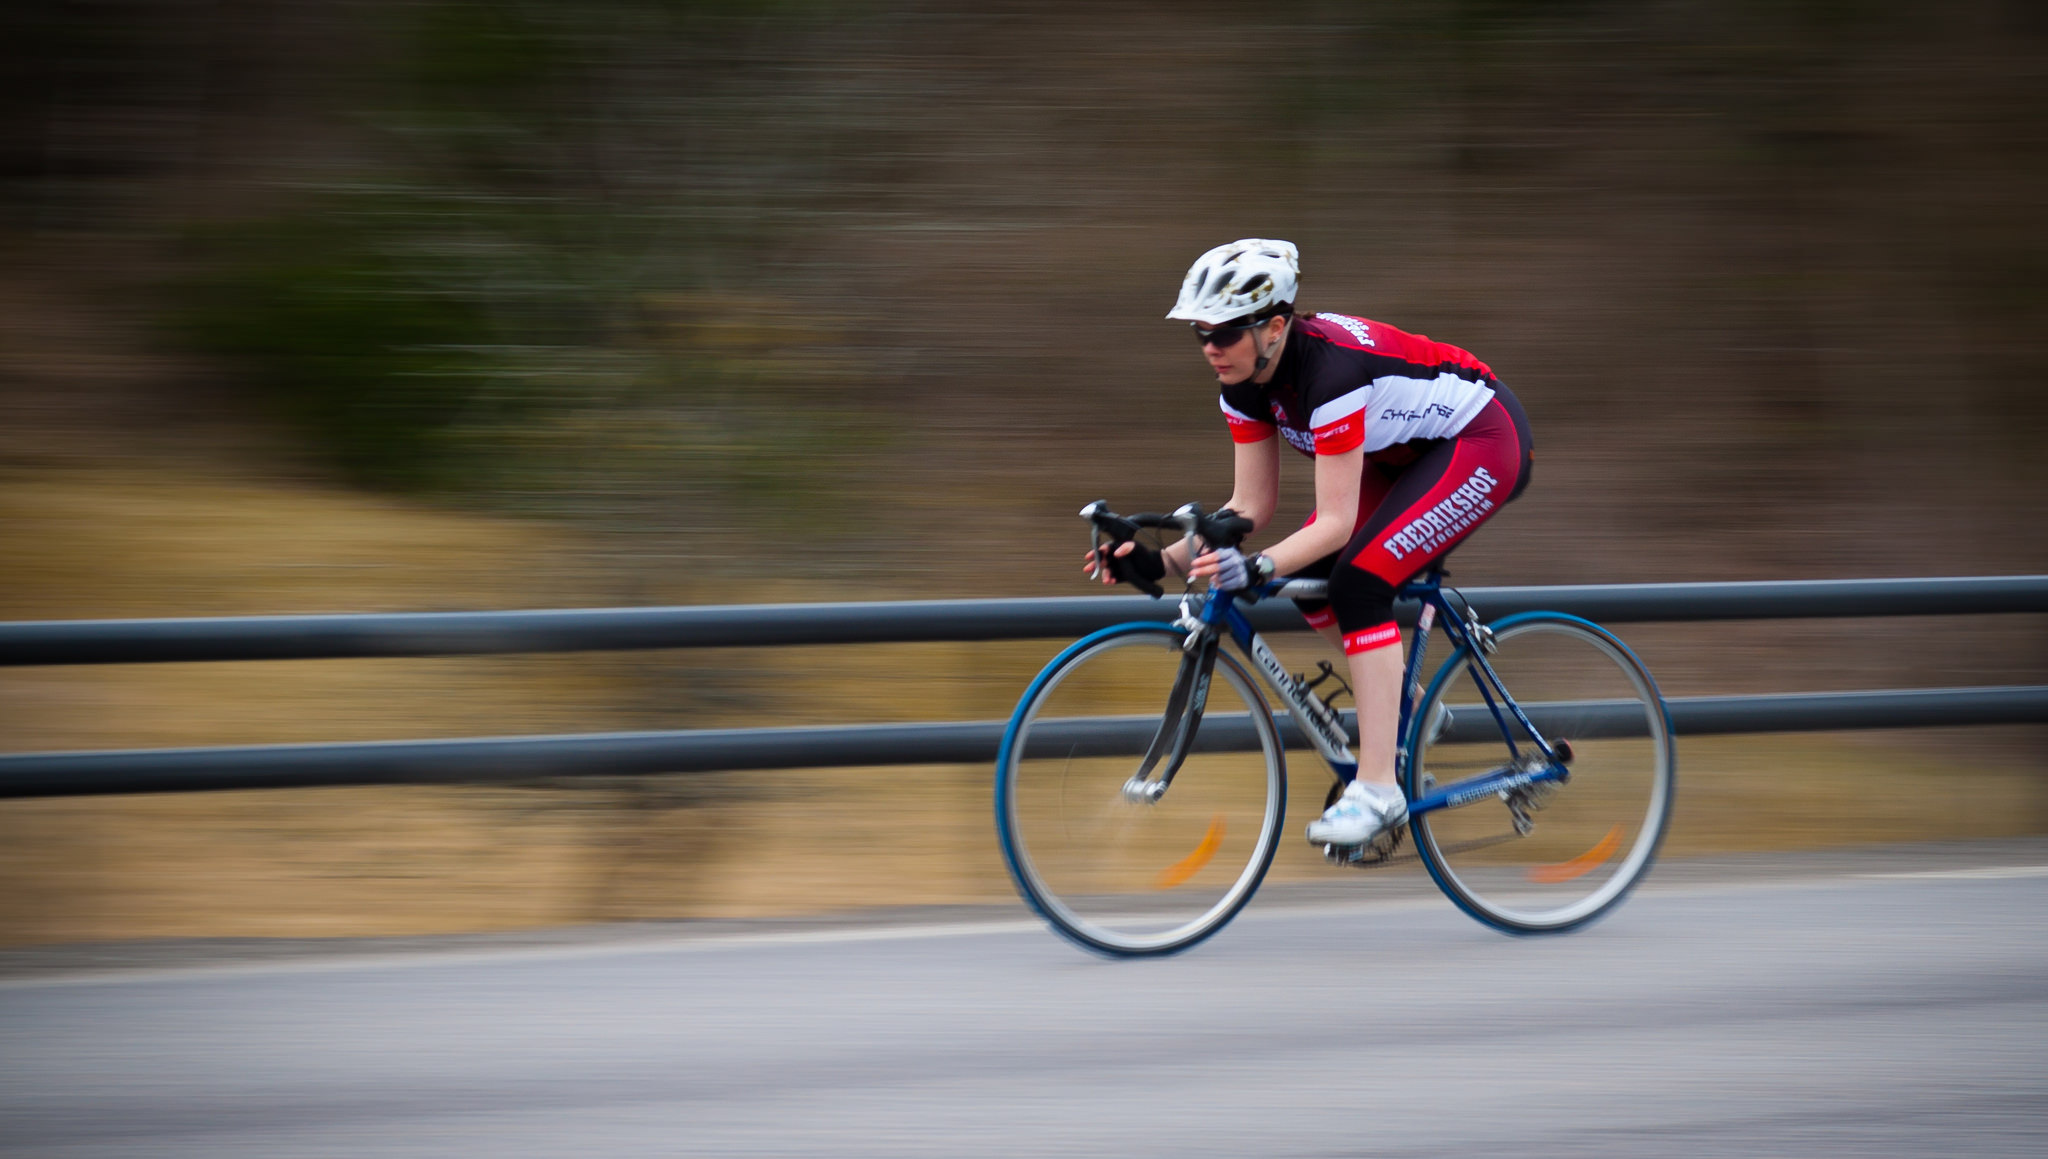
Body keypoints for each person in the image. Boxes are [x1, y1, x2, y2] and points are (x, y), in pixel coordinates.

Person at [1085, 238, 1534, 851]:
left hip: (1481, 439)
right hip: (1403, 453)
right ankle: (1413, 707)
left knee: (1358, 582)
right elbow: (1249, 508)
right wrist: (1158, 561)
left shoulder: (1329, 375)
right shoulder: (1243, 382)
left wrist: (1259, 565)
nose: (1211, 348)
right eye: (1200, 334)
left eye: (1224, 333)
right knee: (1313, 581)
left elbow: (1335, 522)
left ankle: (1378, 788)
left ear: (1274, 326)